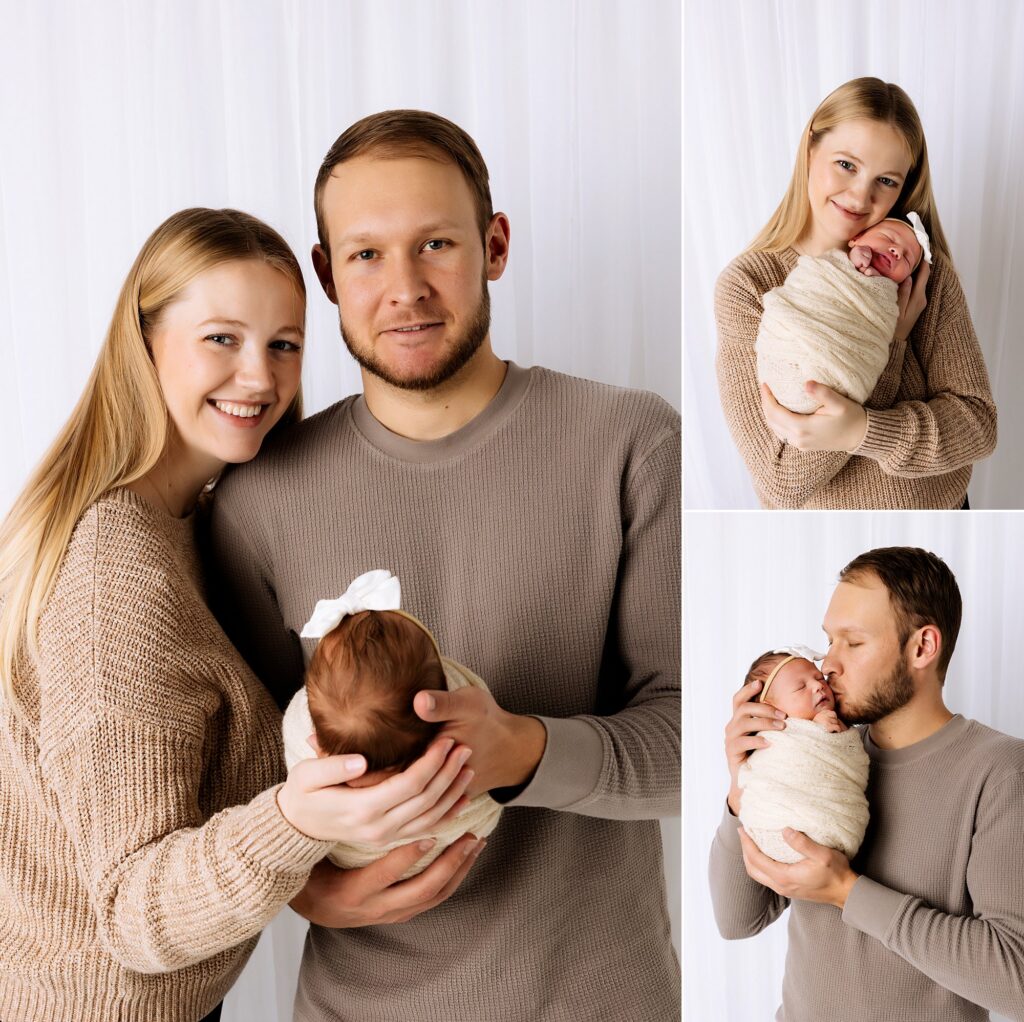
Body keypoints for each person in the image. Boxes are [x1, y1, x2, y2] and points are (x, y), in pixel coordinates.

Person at [208, 109, 681, 1021]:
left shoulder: (628, 441)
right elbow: (242, 792)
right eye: (366, 256)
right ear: (325, 276)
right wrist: (305, 888)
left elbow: (692, 745)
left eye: (436, 244)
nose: (405, 289)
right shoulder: (257, 499)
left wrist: (523, 749)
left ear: (495, 245)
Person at [0, 208, 475, 1022]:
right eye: (221, 339)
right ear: (143, 342)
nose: (259, 377)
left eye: (284, 344)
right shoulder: (119, 573)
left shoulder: (188, 521)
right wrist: (297, 820)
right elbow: (133, 913)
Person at [710, 547, 1024, 1021]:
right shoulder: (818, 764)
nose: (827, 665)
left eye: (852, 643)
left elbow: (1015, 980)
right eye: (828, 641)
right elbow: (737, 922)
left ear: (922, 647)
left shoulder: (1000, 770)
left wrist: (846, 892)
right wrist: (742, 788)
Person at [715, 77, 997, 509]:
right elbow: (782, 482)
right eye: (846, 165)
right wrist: (890, 342)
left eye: (886, 180)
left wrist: (862, 431)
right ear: (811, 150)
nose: (860, 195)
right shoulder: (750, 286)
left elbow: (978, 425)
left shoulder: (919, 271)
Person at [282, 569, 503, 876]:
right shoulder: (461, 709)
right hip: (453, 839)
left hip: (353, 863)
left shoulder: (302, 732)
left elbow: (296, 768)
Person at [756, 215, 927, 414]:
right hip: (790, 341)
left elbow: (876, 331)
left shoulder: (891, 298)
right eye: (888, 237)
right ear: (856, 238)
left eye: (907, 258)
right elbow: (816, 280)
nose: (897, 251)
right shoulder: (835, 261)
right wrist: (853, 260)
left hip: (840, 369)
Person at [735, 648, 870, 865]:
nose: (818, 684)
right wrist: (735, 777)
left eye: (818, 678)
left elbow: (849, 754)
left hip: (834, 824)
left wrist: (825, 732)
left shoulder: (844, 728)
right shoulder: (772, 739)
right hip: (774, 827)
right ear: (769, 709)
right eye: (800, 687)